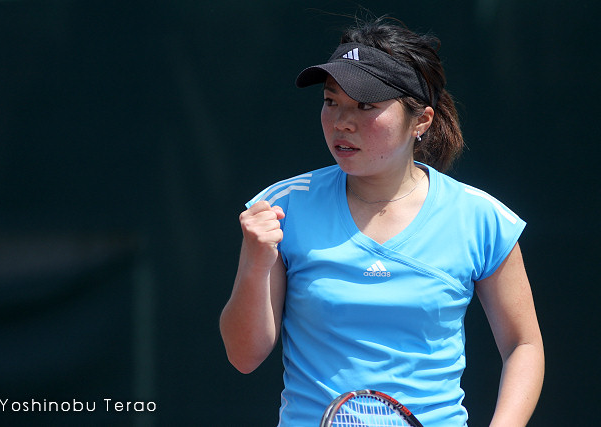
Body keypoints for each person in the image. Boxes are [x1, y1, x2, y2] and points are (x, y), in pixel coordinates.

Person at [220, 16, 544, 427]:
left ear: (421, 121)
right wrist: (255, 262)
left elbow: (523, 345)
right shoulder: (280, 208)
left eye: (366, 105)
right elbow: (244, 357)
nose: (342, 121)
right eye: (331, 101)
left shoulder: (481, 218)